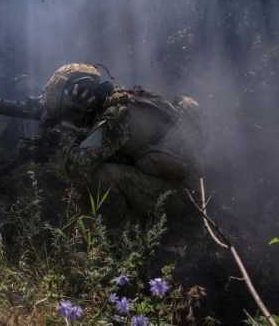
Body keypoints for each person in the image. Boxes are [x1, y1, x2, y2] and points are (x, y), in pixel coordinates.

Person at [40, 63, 205, 221]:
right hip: (180, 186)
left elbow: (78, 167)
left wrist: (67, 128)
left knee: (99, 176)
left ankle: (124, 235)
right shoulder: (122, 101)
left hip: (184, 197)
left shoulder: (117, 116)